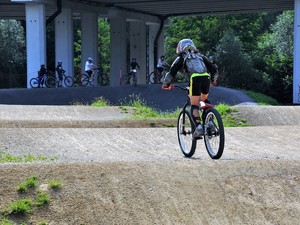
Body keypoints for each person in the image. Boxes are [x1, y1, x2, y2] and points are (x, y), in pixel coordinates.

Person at [162, 39, 218, 139]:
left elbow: (171, 73)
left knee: (194, 105)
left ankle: (199, 127)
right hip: (206, 78)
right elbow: (214, 70)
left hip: (194, 79)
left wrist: (166, 84)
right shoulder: (201, 56)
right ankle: (210, 123)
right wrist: (213, 80)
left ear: (180, 48)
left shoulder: (181, 58)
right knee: (204, 100)